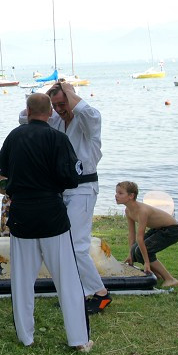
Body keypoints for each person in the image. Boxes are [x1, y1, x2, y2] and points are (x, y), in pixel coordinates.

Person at [0, 93, 91, 352]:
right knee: (68, 280)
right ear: (50, 113)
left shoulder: (14, 137)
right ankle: (78, 339)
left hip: (23, 215)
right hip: (51, 214)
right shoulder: (58, 138)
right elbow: (71, 178)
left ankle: (26, 336)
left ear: (27, 111)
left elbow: (3, 169)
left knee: (22, 281)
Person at [20, 81, 111, 314]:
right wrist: (44, 97)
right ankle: (78, 293)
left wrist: (69, 93)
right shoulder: (56, 121)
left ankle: (100, 293)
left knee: (77, 245)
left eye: (63, 103)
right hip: (60, 190)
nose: (60, 108)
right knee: (63, 244)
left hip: (84, 188)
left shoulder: (88, 121)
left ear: (72, 98)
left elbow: (87, 112)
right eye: (55, 105)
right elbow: (25, 118)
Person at [115, 181, 178, 287]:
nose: (116, 195)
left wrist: (146, 262)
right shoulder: (128, 210)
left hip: (172, 230)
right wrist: (130, 254)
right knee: (136, 251)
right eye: (116, 192)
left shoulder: (142, 211)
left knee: (141, 252)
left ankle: (170, 279)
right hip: (158, 229)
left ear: (131, 196)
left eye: (120, 193)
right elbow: (132, 233)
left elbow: (139, 238)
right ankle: (157, 274)